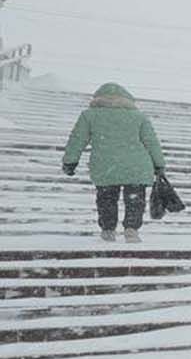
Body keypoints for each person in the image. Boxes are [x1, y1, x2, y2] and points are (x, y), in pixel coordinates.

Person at [61, 82, 166, 243]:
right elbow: (151, 142)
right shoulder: (138, 116)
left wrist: (70, 162)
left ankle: (108, 230)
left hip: (105, 164)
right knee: (134, 200)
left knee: (106, 199)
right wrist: (159, 164)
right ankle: (131, 230)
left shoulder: (89, 115)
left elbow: (77, 140)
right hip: (136, 165)